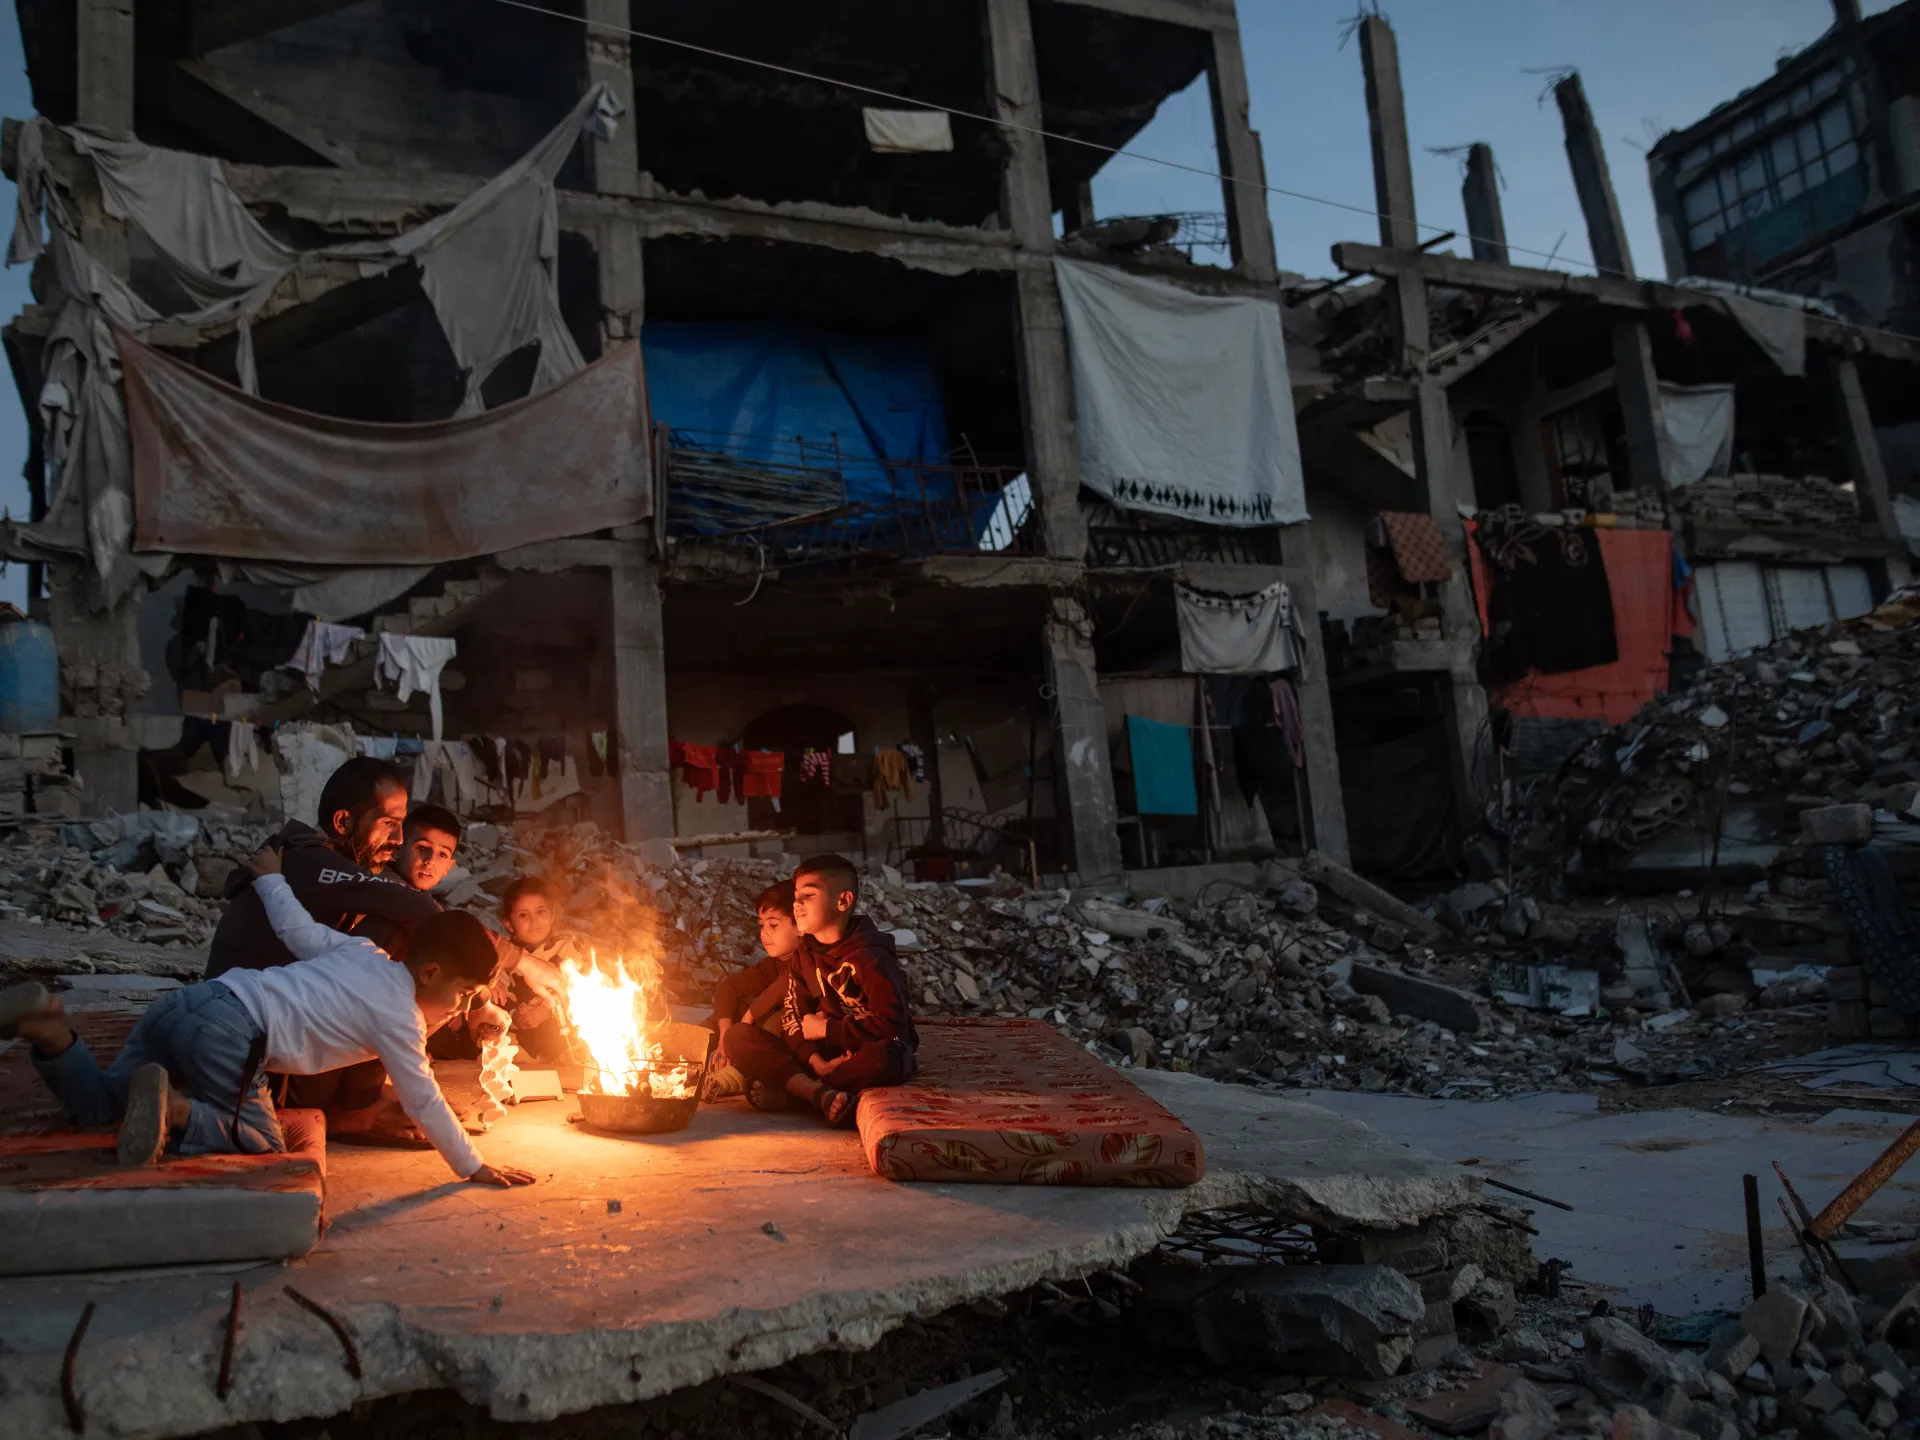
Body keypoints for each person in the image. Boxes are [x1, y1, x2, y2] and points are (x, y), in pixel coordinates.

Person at [0, 844, 535, 1187]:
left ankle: (48, 1027)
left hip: (188, 1002)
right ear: (432, 972)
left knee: (99, 1107)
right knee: (262, 1142)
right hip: (232, 1033)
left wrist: (270, 877)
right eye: (465, 994)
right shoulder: (400, 1020)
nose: (462, 1007)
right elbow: (424, 1099)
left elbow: (295, 930)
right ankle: (174, 1108)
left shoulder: (364, 953)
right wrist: (473, 1165)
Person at [206, 757, 444, 1144]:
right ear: (343, 822)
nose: (399, 839)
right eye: (389, 823)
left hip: (276, 1049)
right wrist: (511, 960)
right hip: (264, 1069)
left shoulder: (313, 859)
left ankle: (358, 1098)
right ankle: (356, 1109)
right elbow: (418, 909)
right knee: (393, 934)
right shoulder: (309, 861)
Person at [719, 854, 918, 1127]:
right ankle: (818, 1092)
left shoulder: (870, 957)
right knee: (738, 1036)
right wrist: (814, 1060)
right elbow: (794, 1016)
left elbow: (895, 1027)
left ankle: (800, 1093)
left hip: (862, 1052)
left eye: (809, 895)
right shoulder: (804, 954)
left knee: (886, 1058)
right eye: (796, 896)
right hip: (823, 1054)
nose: (797, 904)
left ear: (843, 901)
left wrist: (828, 1029)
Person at [702, 879, 802, 1101]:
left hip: (799, 1044)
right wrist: (725, 1037)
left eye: (773, 925)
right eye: (761, 925)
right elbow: (728, 988)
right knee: (720, 1018)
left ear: (801, 926)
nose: (764, 934)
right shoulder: (774, 964)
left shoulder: (811, 959)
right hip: (750, 1039)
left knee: (776, 1020)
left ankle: (738, 1077)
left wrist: (749, 1018)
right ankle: (698, 1059)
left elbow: (784, 985)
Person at [484, 876, 576, 1064]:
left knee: (580, 1048)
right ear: (509, 924)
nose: (534, 921)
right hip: (519, 1038)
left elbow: (579, 993)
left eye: (540, 912)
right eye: (523, 915)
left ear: (552, 915)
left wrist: (547, 1011)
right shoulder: (502, 955)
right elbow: (496, 997)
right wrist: (515, 1016)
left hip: (562, 1035)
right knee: (497, 1046)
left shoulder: (566, 950)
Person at [392, 804, 462, 894]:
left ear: (449, 867)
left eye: (442, 854)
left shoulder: (416, 897)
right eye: (422, 848)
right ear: (397, 849)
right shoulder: (385, 890)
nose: (431, 861)